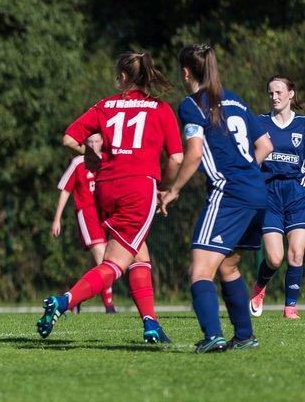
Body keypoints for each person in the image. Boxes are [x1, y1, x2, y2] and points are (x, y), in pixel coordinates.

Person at [36, 52, 182, 343]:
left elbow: (68, 139)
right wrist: (164, 188)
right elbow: (176, 157)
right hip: (138, 188)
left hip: (105, 188)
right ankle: (63, 301)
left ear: (124, 77)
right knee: (115, 264)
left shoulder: (104, 105)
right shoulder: (159, 108)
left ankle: (151, 323)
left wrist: (92, 157)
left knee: (138, 253)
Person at [159, 44, 272, 353]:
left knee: (199, 271)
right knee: (228, 268)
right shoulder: (234, 99)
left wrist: (174, 190)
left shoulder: (191, 105)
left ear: (185, 72)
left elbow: (193, 154)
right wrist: (248, 171)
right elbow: (265, 145)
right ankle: (245, 337)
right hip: (257, 192)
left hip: (230, 193)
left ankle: (213, 337)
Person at [247, 75, 305, 319]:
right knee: (274, 257)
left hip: (296, 194)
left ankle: (290, 307)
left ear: (290, 94)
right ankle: (260, 286)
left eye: (279, 92)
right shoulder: (260, 124)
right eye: (271, 93)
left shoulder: (302, 125)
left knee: (297, 253)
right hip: (269, 195)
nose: (274, 97)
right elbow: (249, 156)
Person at [50, 133, 117, 313]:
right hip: (87, 214)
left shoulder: (109, 160)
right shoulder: (79, 162)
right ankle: (109, 306)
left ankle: (73, 295)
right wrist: (57, 219)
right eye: (90, 142)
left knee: (110, 261)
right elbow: (65, 190)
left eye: (97, 141)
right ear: (85, 143)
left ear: (103, 142)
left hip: (106, 214)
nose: (94, 145)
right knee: (104, 261)